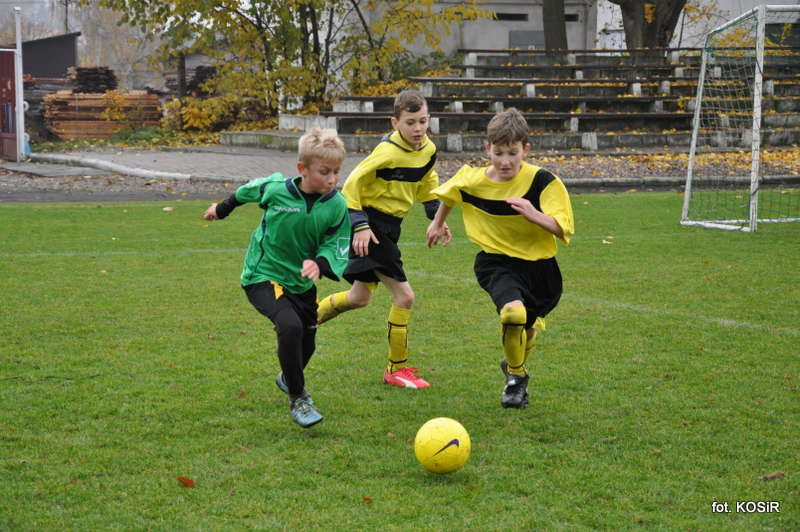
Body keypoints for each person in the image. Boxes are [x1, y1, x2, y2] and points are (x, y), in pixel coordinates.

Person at [202, 128, 351, 428]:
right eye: (324, 172)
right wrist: (222, 208)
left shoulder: (336, 205)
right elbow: (247, 190)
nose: (332, 179)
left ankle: (288, 377)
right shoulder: (276, 190)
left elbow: (337, 241)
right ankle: (299, 398)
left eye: (336, 172)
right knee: (289, 325)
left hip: (301, 283)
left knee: (307, 343)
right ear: (302, 168)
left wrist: (320, 263)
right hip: (262, 274)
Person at [426, 108, 574, 409]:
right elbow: (452, 194)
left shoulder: (543, 181)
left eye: (512, 153)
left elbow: (563, 227)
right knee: (512, 314)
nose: (505, 161)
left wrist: (534, 214)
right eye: (499, 153)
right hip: (496, 262)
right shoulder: (473, 178)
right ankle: (517, 379)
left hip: (541, 269)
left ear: (525, 150)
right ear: (487, 149)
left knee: (527, 331)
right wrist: (438, 222)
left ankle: (512, 364)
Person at [316, 89, 451, 389]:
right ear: (395, 123)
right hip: (371, 226)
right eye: (410, 123)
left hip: (391, 227)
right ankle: (396, 369)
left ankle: (306, 319)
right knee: (405, 296)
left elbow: (427, 183)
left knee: (359, 298)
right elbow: (351, 186)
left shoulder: (428, 149)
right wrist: (361, 225)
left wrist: (436, 218)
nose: (418, 129)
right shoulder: (386, 152)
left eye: (423, 121)